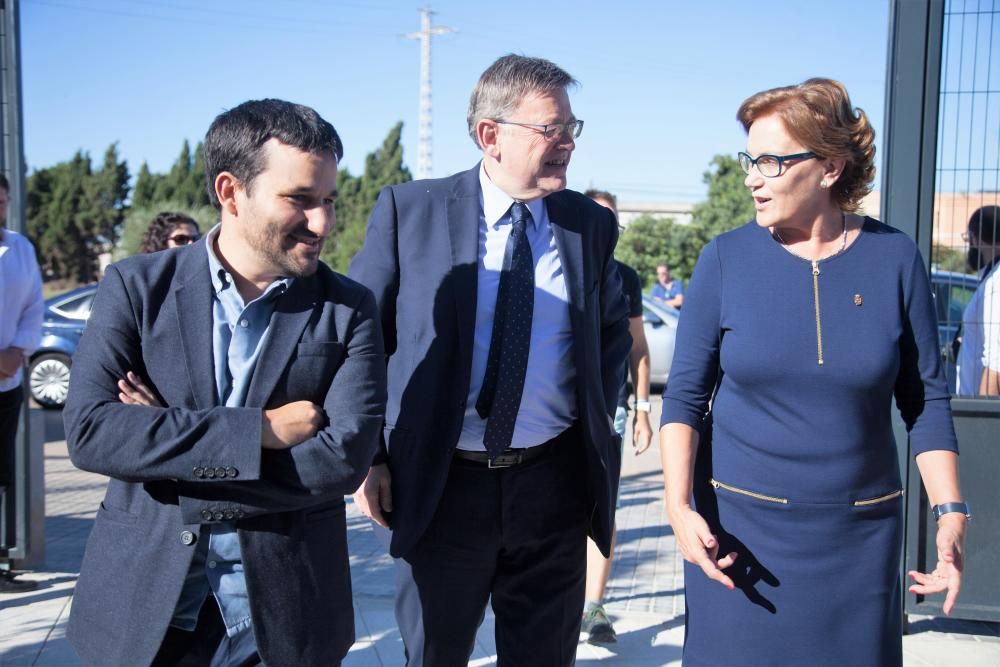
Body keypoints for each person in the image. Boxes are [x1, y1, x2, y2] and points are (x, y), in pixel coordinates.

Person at [62, 99, 387, 666]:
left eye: (329, 200)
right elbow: (92, 433)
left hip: (285, 619)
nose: (323, 223)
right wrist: (256, 431)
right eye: (301, 200)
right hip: (143, 613)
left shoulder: (348, 307)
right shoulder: (137, 288)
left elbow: (341, 461)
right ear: (231, 192)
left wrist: (164, 446)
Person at [660, 78, 966, 666]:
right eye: (749, 158)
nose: (752, 177)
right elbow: (685, 397)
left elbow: (925, 401)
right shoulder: (724, 258)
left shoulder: (895, 257)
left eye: (771, 161)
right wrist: (678, 506)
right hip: (738, 542)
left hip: (860, 541)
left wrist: (950, 511)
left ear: (829, 167)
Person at [349, 54, 630, 666]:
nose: (566, 144)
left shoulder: (587, 224)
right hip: (443, 487)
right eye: (550, 129)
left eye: (571, 128)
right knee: (435, 655)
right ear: (489, 135)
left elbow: (608, 335)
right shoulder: (410, 211)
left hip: (552, 487)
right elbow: (360, 341)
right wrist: (368, 457)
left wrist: (594, 427)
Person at [581, 188, 653, 644]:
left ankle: (593, 606)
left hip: (611, 413)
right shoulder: (557, 267)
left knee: (603, 507)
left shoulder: (626, 278)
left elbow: (638, 349)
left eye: (615, 224)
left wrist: (641, 408)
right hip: (559, 416)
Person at [0, 173, 44, 595]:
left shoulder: (19, 247)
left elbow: (34, 309)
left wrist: (16, 352)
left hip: (7, 383)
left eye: (1, 201)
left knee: (0, 475)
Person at [957, 205, 999, 396]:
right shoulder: (990, 275)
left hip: (981, 404)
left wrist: (982, 418)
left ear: (975, 237)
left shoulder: (995, 282)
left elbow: (996, 361)